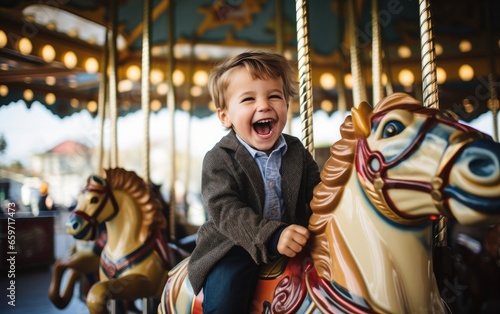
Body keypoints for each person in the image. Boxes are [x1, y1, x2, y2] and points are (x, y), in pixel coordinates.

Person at [187, 50, 321, 313]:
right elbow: (226, 211)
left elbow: (317, 193)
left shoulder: (296, 152)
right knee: (226, 301)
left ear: (285, 104)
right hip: (233, 247)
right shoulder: (219, 159)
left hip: (294, 242)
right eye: (248, 99)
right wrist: (272, 236)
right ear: (225, 116)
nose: (264, 105)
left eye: (274, 96)